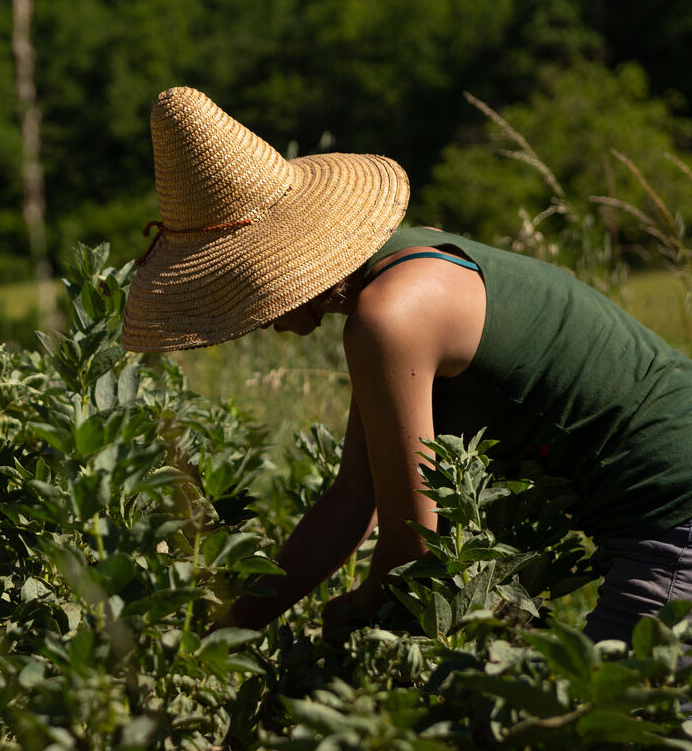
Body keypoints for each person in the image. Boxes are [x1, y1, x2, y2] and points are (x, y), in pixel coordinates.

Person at [123, 85, 692, 643]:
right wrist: (225, 632)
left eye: (234, 286)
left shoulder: (389, 318)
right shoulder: (411, 262)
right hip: (658, 505)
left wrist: (360, 609)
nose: (251, 319)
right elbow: (355, 499)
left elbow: (413, 544)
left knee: (614, 704)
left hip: (673, 507)